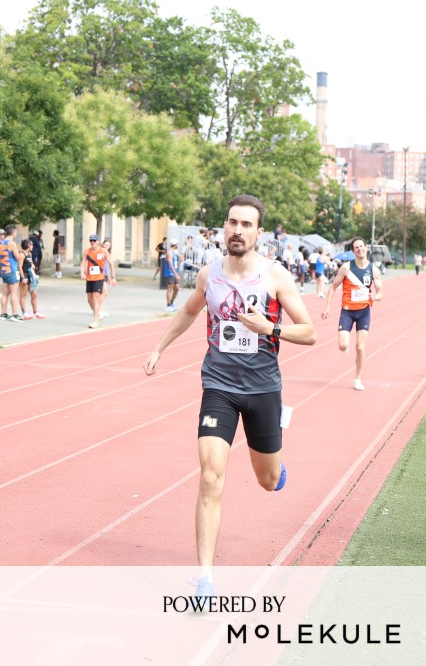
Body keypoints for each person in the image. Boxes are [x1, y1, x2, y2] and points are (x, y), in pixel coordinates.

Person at [142, 194, 316, 598]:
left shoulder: (275, 277)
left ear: (259, 233)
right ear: (224, 227)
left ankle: (275, 469)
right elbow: (189, 312)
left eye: (246, 224)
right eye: (232, 222)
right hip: (218, 387)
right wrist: (158, 348)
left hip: (263, 389)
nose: (237, 230)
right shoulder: (209, 275)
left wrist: (269, 328)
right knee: (209, 476)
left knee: (267, 480)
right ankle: (205, 579)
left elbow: (309, 332)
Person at [321, 236, 385, 391]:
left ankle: (357, 379)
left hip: (364, 312)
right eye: (357, 247)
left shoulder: (373, 269)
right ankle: (345, 346)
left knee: (360, 348)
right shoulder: (346, 268)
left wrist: (375, 297)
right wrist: (327, 307)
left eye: (362, 246)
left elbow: (381, 292)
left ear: (366, 248)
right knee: (343, 345)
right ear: (353, 251)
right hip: (347, 312)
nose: (360, 249)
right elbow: (333, 287)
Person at [81, 233, 113, 328]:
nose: (92, 242)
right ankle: (98, 313)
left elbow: (111, 263)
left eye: (94, 240)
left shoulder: (103, 251)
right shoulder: (87, 251)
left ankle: (95, 321)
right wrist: (82, 273)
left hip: (99, 277)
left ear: (98, 242)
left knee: (96, 297)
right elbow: (83, 263)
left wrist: (113, 277)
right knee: (89, 299)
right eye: (91, 240)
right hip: (89, 278)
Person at [0, 225, 24, 322]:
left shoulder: (1, 243)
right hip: (12, 270)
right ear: (13, 233)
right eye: (16, 232)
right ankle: (15, 314)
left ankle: (3, 313)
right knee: (14, 292)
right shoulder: (12, 244)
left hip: (4, 270)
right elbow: (18, 257)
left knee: (5, 293)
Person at [19, 239, 44, 320]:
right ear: (28, 245)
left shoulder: (29, 253)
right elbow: (19, 266)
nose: (33, 246)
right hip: (25, 276)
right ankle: (24, 313)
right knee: (23, 295)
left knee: (34, 294)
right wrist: (23, 277)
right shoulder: (22, 254)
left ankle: (35, 312)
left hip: (31, 276)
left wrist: (33, 265)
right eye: (31, 245)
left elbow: (31, 263)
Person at [163, 239, 181, 312]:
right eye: (177, 244)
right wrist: (175, 274)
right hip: (170, 273)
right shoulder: (169, 253)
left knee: (177, 288)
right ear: (175, 244)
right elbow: (170, 264)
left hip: (174, 273)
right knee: (170, 288)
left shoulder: (174, 252)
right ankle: (168, 304)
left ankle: (172, 302)